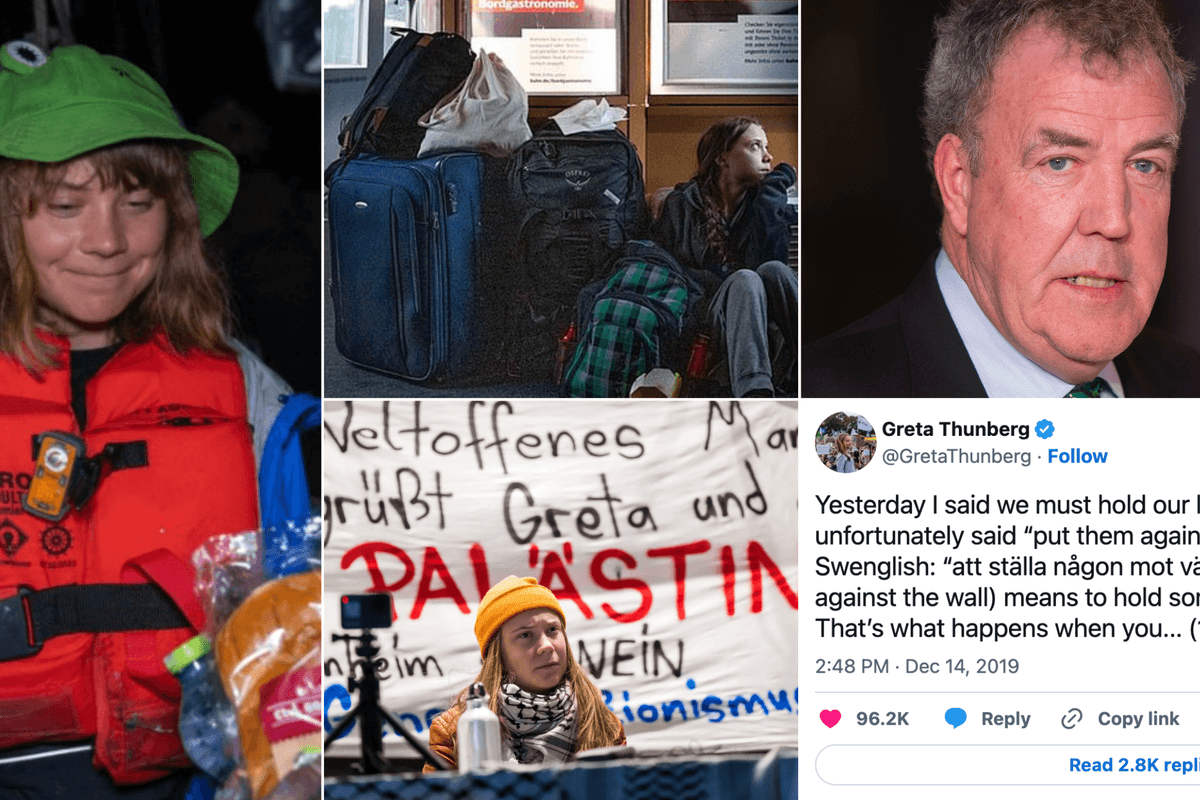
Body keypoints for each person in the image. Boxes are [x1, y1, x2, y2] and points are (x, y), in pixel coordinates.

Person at [0, 41, 290, 799]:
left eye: (137, 203)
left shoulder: (244, 388)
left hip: (196, 773)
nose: (106, 241)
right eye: (65, 206)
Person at [802, 0, 1200, 398]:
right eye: (1059, 163)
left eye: (1145, 166)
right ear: (959, 182)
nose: (1114, 220)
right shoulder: (813, 405)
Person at [651, 117, 797, 398]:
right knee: (745, 279)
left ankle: (820, 365)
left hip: (760, 315)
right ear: (722, 158)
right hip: (704, 316)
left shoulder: (763, 203)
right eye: (755, 146)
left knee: (774, 270)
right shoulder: (681, 205)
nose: (768, 157)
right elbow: (667, 273)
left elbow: (770, 261)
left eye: (766, 147)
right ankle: (754, 394)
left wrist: (771, 195)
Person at [424, 576, 626, 772]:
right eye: (525, 634)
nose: (546, 646)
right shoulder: (456, 730)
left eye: (552, 629)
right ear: (498, 654)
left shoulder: (602, 722)